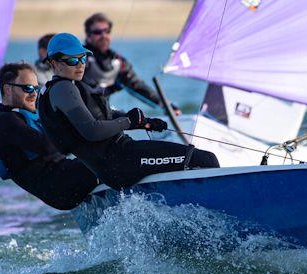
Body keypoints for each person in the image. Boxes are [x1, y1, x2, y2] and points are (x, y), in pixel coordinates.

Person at [38, 33, 219, 190]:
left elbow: (102, 118)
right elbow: (91, 130)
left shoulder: (58, 89)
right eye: (72, 60)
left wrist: (143, 121)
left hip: (116, 163)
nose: (80, 65)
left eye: (83, 58)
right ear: (54, 63)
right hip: (121, 161)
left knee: (193, 160)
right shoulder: (63, 89)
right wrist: (129, 122)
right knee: (206, 160)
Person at [0, 62, 99, 210]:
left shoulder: (24, 116)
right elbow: (47, 146)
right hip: (61, 188)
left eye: (36, 88)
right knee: (112, 159)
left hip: (65, 180)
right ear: (8, 89)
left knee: (110, 152)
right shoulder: (3, 122)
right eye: (28, 88)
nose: (34, 94)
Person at [82, 12, 169, 109]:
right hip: (80, 113)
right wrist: (108, 88)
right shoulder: (80, 59)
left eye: (107, 31)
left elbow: (137, 85)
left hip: (101, 115)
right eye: (98, 32)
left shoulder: (118, 62)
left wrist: (164, 104)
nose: (104, 35)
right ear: (88, 35)